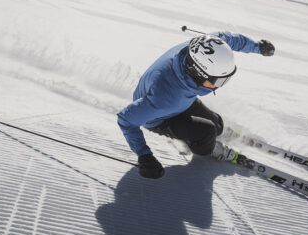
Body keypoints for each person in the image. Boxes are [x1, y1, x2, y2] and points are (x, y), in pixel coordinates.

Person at [117, 31, 275, 179]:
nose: (219, 86)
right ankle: (211, 148)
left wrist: (257, 47)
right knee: (207, 132)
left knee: (217, 124)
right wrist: (144, 155)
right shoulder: (164, 97)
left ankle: (217, 133)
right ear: (199, 74)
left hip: (182, 100)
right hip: (159, 118)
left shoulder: (203, 47)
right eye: (218, 81)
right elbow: (126, 119)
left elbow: (230, 39)